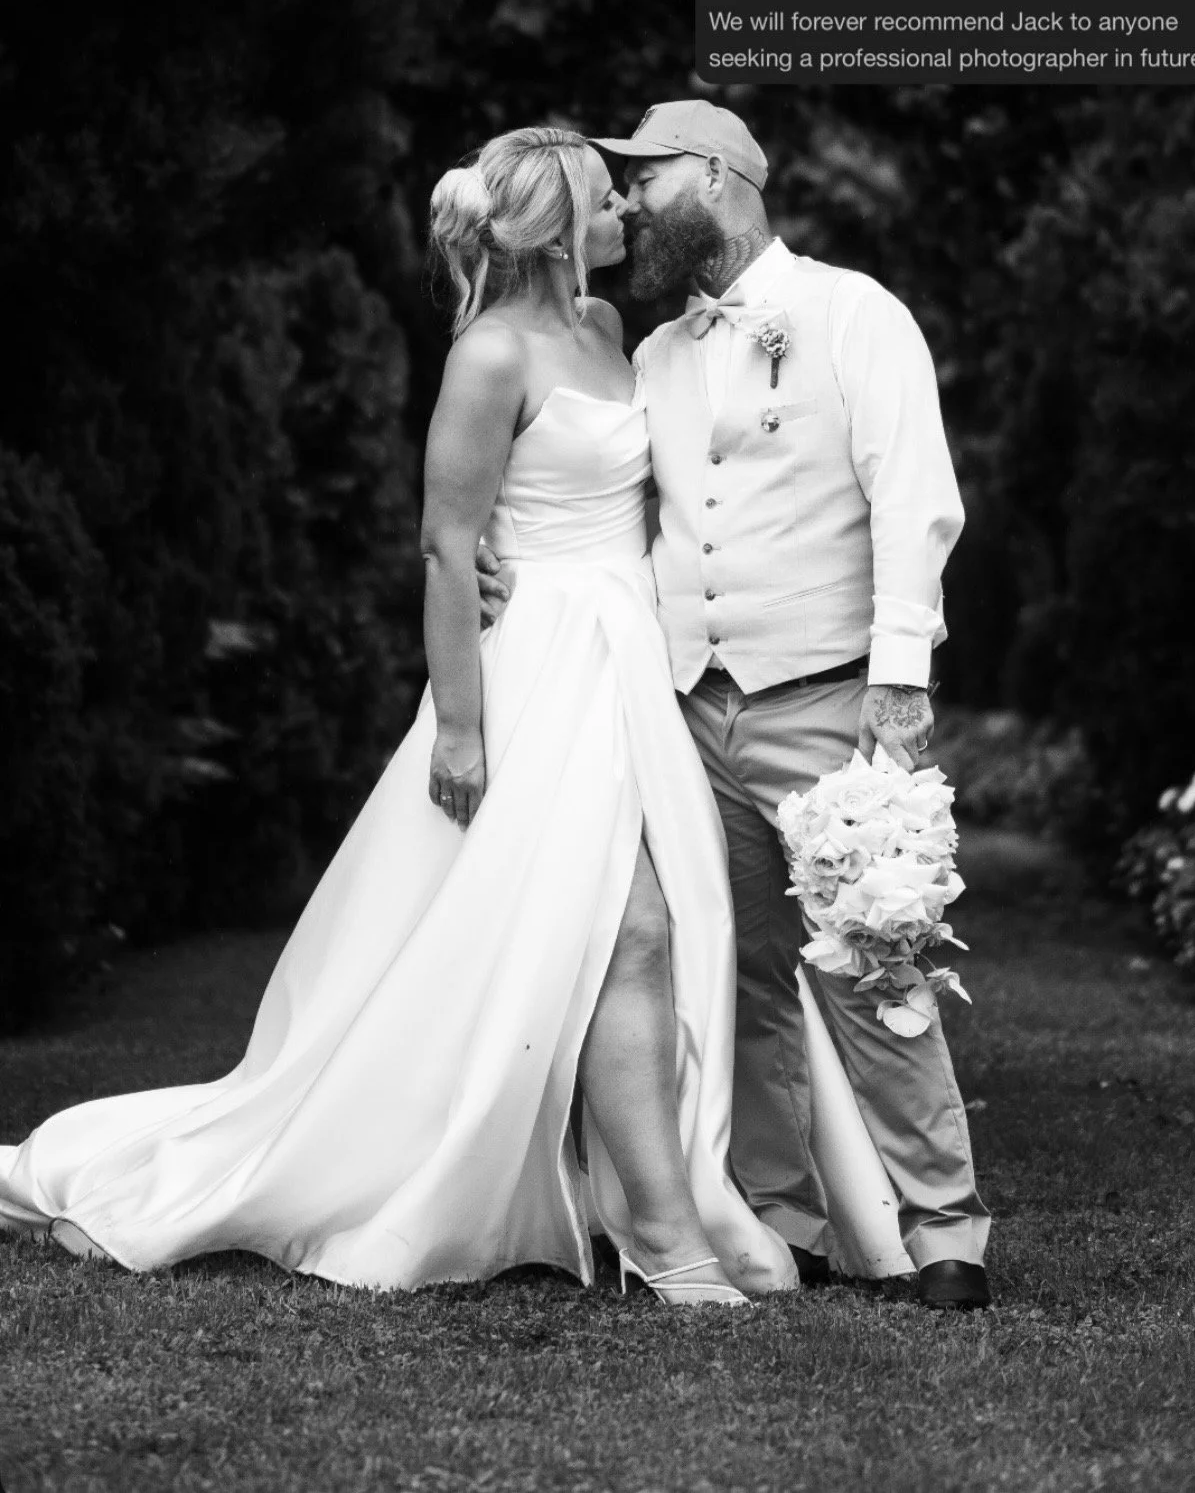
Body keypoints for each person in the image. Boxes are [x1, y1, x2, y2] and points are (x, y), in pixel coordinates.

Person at [0, 128, 798, 1304]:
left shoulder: (607, 328)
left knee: (630, 929)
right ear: (556, 226)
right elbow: (445, 544)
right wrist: (462, 728)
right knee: (627, 926)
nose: (626, 212)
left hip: (627, 659)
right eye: (604, 198)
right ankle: (669, 1228)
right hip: (538, 671)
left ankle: (655, 1198)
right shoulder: (489, 353)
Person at [484, 102, 991, 1309]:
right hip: (683, 711)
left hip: (825, 697)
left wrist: (899, 682)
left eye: (647, 178)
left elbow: (913, 496)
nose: (628, 203)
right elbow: (602, 500)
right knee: (741, 973)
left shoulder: (855, 313)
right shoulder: (651, 354)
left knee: (876, 962)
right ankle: (782, 1213)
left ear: (715, 175)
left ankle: (946, 1226)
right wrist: (506, 557)